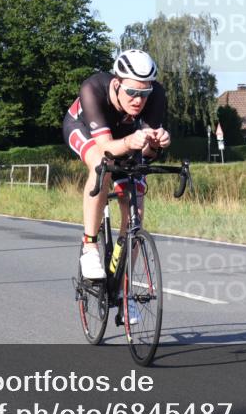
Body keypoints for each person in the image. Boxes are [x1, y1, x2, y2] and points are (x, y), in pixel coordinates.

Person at [63, 50, 171, 281]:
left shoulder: (157, 95)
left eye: (144, 93)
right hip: (84, 129)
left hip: (123, 139)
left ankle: (124, 287)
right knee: (102, 164)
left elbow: (146, 155)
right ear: (116, 84)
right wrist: (131, 141)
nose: (138, 100)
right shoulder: (92, 89)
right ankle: (90, 246)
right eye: (131, 92)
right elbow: (105, 147)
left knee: (135, 208)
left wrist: (157, 144)